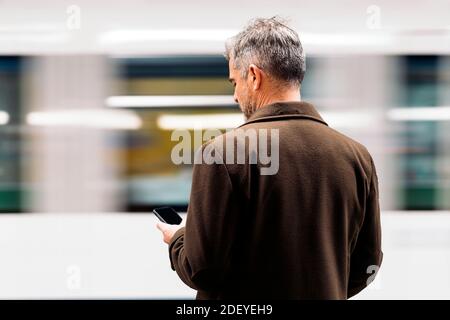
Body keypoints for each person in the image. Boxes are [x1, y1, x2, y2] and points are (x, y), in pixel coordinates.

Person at [156, 16, 383, 299]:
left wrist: (178, 239)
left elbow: (203, 269)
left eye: (234, 82)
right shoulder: (357, 157)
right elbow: (367, 264)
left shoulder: (222, 153)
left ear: (253, 76)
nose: (235, 96)